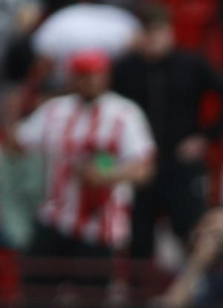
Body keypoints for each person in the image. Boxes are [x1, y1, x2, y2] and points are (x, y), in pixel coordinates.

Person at [7, 49, 154, 290]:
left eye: (95, 75)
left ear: (106, 77)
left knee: (92, 302)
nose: (90, 81)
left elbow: (144, 168)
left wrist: (108, 175)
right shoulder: (55, 110)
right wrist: (12, 111)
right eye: (83, 75)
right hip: (55, 217)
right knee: (34, 294)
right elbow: (19, 145)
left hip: (101, 225)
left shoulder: (125, 114)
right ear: (73, 78)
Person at [110, 1, 223, 261]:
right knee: (138, 242)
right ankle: (138, 298)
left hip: (181, 163)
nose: (153, 39)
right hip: (140, 168)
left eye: (158, 31)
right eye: (147, 32)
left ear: (170, 32)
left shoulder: (191, 64)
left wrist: (207, 136)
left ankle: (193, 293)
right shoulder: (124, 69)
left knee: (192, 234)